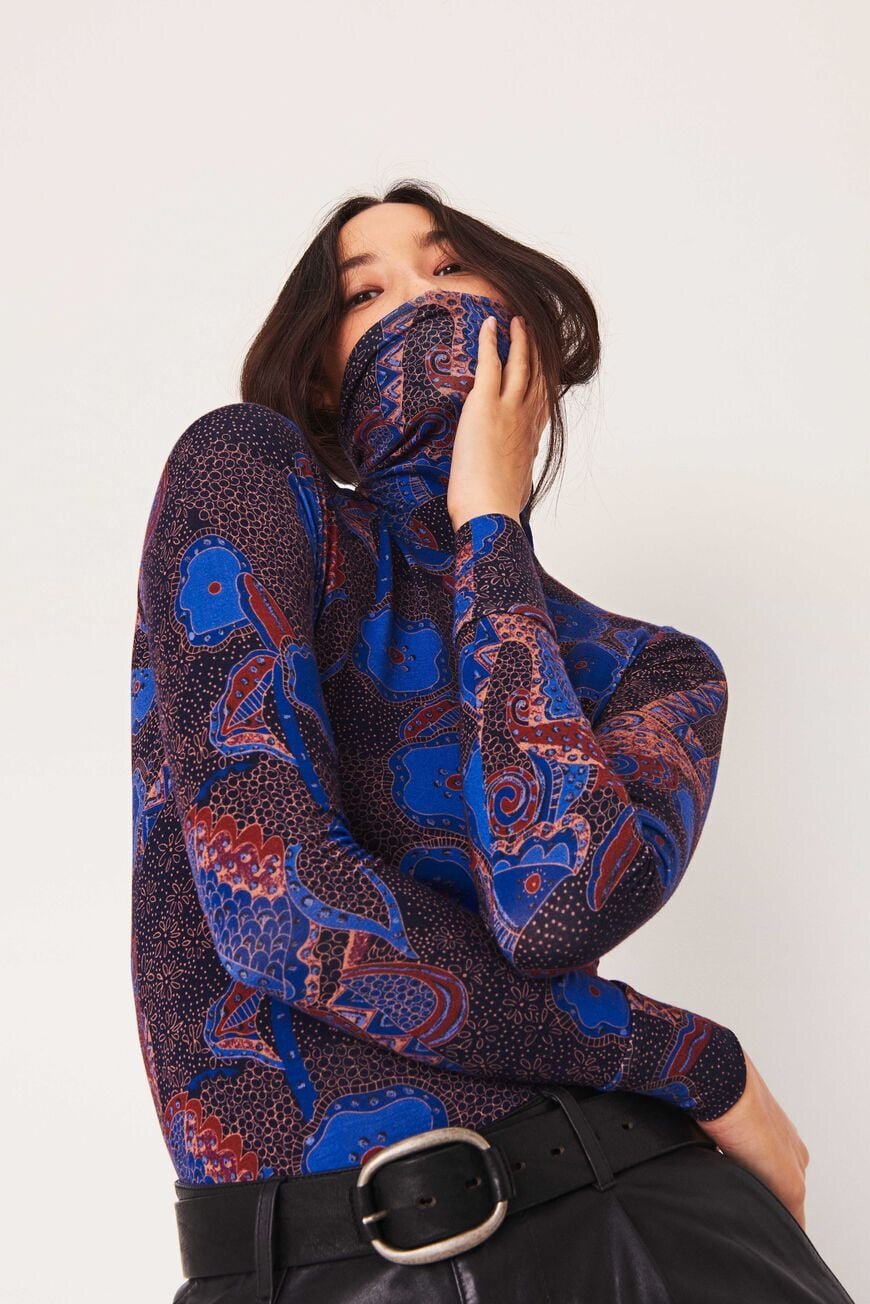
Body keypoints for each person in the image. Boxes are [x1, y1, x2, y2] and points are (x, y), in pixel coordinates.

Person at [131, 181, 854, 1303]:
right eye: (366, 292)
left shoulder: (653, 669)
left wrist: (490, 536)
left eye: (449, 267)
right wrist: (695, 1058)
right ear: (318, 375)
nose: (423, 302)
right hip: (323, 1262)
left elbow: (552, 908)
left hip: (644, 1225)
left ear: (524, 328)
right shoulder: (248, 483)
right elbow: (275, 909)